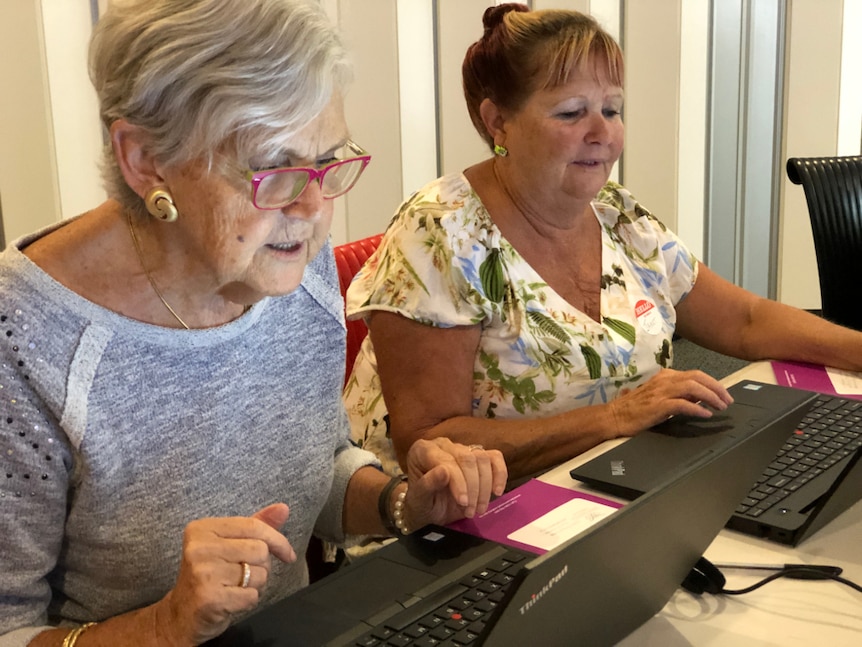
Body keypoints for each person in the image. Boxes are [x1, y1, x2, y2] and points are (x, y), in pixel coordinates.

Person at [0, 1, 508, 646]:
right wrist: (165, 625)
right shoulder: (21, 340)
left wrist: (405, 504)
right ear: (145, 160)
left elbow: (314, 467)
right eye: (274, 167)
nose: (315, 207)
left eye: (328, 161)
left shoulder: (290, 260)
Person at [342, 3, 862, 482]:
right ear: (497, 121)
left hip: (609, 487)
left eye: (612, 110)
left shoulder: (617, 214)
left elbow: (746, 321)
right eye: (571, 113)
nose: (603, 133)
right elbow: (430, 438)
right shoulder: (439, 233)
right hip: (450, 530)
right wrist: (614, 417)